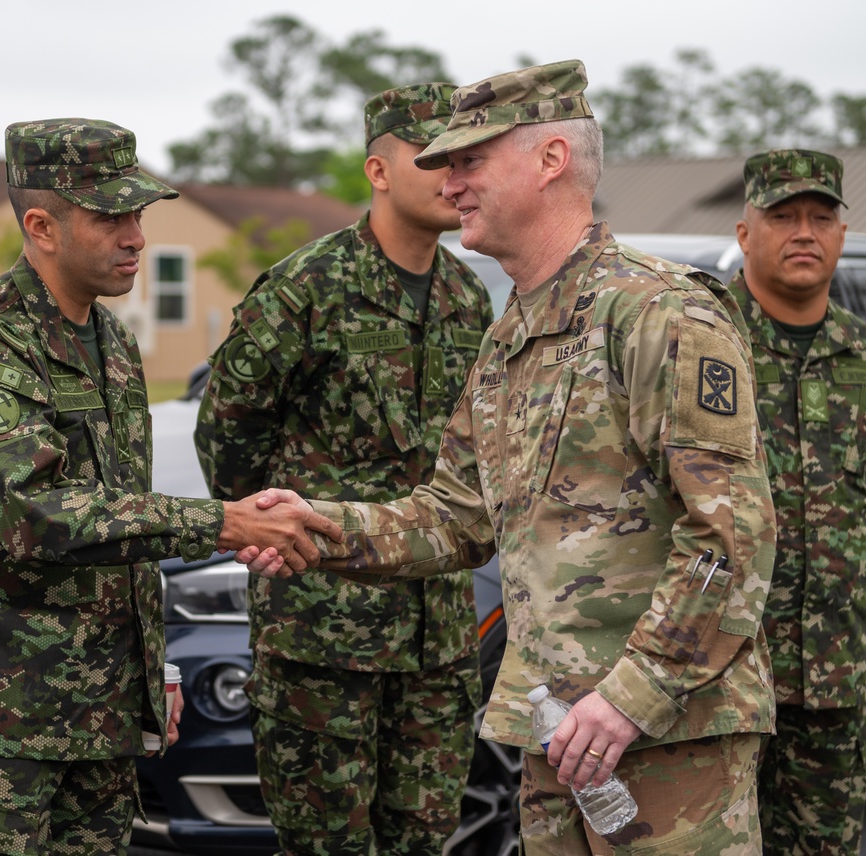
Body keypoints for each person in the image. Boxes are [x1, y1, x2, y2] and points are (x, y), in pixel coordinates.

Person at [244, 60, 778, 855]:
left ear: (551, 159)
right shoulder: (512, 337)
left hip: (667, 737)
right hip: (556, 734)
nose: (449, 182)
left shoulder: (658, 313)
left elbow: (733, 538)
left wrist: (633, 696)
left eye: (469, 161)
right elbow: (455, 517)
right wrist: (317, 525)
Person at [0, 118, 340, 856]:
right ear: (41, 225)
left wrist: (150, 672)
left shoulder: (110, 344)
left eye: (138, 213)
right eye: (111, 217)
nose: (136, 235)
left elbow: (123, 528)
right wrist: (224, 524)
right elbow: (40, 516)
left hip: (97, 715)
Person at [194, 83, 494, 856]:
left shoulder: (468, 298)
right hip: (324, 642)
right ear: (378, 170)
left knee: (426, 840)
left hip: (440, 638)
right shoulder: (306, 288)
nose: (450, 173)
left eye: (462, 157)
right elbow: (229, 433)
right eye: (430, 157)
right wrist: (272, 534)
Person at [728, 149, 866, 855]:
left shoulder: (860, 357)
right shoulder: (700, 343)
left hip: (838, 687)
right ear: (746, 232)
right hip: (717, 685)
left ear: (843, 233)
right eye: (782, 216)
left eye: (821, 216)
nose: (804, 231)